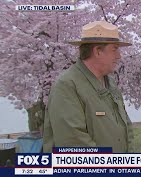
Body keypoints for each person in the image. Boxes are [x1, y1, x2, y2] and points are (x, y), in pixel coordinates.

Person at [43, 21, 133, 153]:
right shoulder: (67, 85)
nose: (119, 56)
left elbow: (126, 128)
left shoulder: (110, 83)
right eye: (114, 49)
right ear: (97, 51)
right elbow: (74, 143)